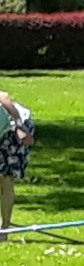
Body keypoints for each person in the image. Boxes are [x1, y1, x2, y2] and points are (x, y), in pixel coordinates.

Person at [0, 90, 35, 238]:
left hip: (15, 129)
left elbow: (4, 96)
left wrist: (19, 126)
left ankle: (5, 229)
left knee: (5, 178)